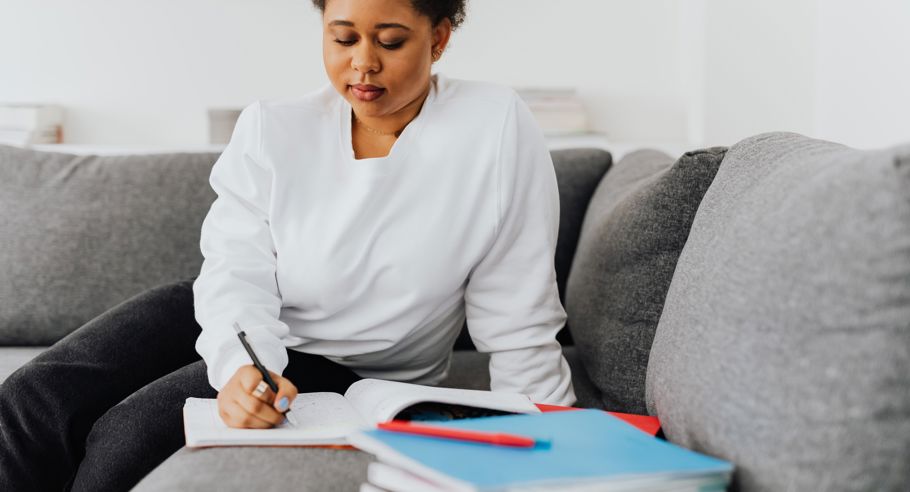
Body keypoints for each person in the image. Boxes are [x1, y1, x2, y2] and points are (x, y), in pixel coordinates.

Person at [0, 0, 575, 489]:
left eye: (391, 41)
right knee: (35, 395)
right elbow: (235, 267)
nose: (363, 62)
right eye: (342, 38)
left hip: (346, 366)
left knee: (127, 435)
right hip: (248, 319)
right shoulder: (273, 126)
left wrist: (554, 437)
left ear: (439, 38)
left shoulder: (493, 126)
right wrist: (241, 367)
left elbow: (518, 307)